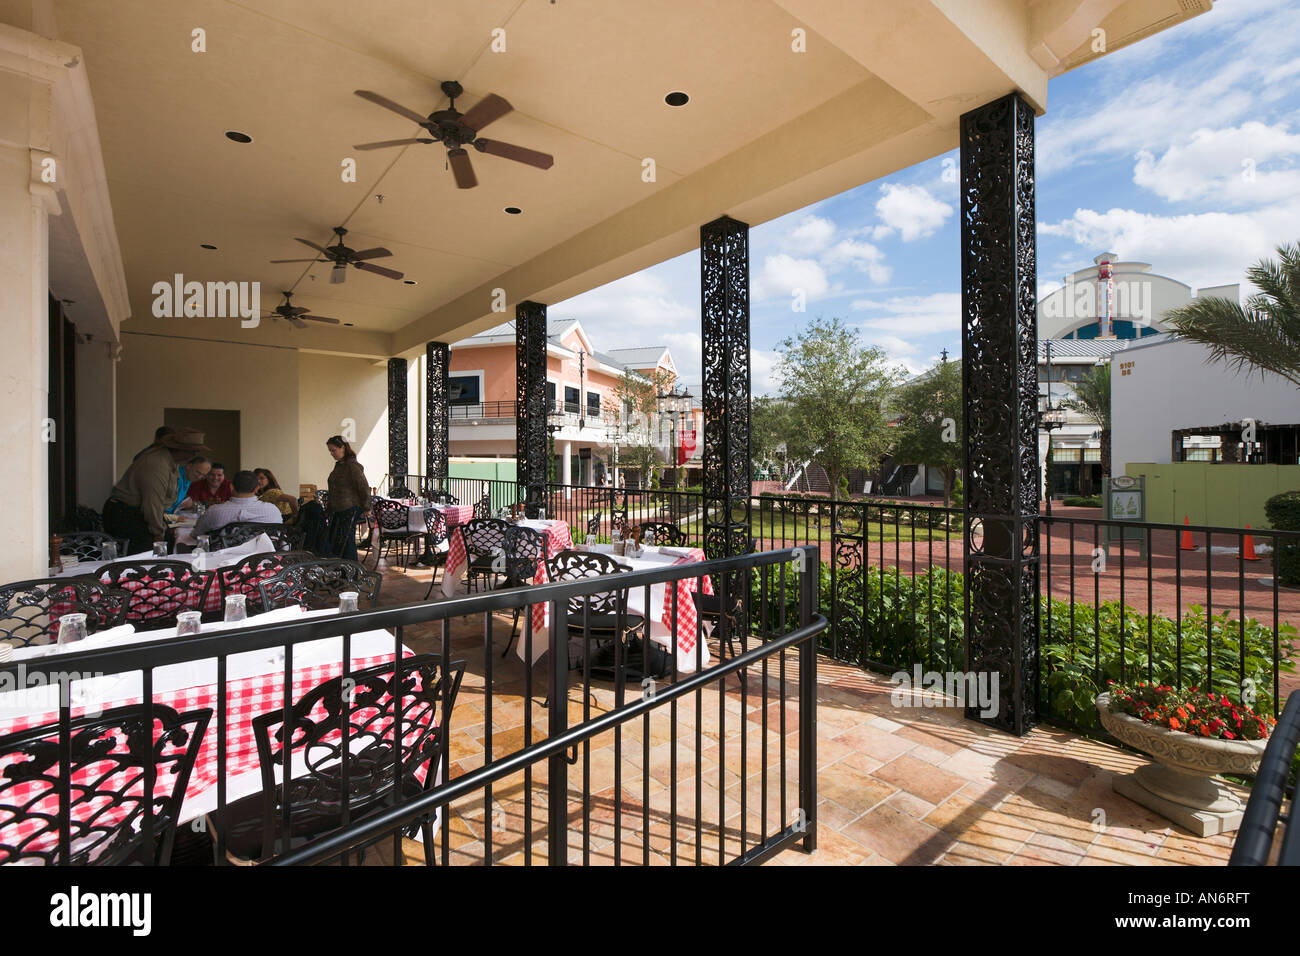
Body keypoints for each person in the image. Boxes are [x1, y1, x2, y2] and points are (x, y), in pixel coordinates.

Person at [103, 427, 211, 553]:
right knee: (149, 551)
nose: (194, 455)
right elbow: (152, 504)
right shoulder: (157, 464)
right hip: (124, 512)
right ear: (181, 450)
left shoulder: (171, 462)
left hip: (138, 511)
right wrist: (159, 534)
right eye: (193, 452)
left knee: (168, 541)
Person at [194, 470, 284, 535]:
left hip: (224, 560)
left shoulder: (214, 511)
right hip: (265, 560)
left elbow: (197, 534)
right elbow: (282, 540)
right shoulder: (272, 510)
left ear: (231, 487)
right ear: (257, 488)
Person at [324, 436, 370, 561]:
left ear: (342, 448)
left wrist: (366, 507)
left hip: (349, 508)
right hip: (338, 509)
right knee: (339, 541)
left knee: (347, 541)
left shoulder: (352, 466)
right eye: (330, 451)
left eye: (333, 450)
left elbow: (363, 486)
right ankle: (343, 572)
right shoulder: (339, 466)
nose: (332, 453)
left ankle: (351, 574)